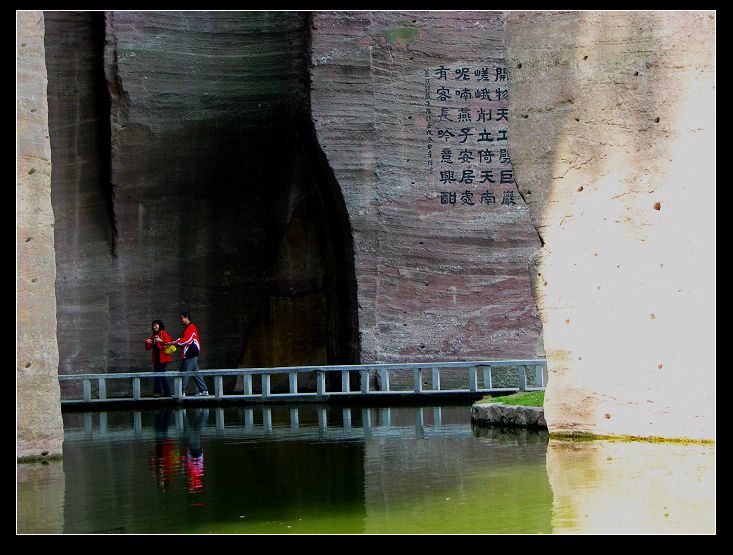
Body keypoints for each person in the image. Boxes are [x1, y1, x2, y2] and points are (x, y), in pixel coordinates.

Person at [164, 310, 208, 397]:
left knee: (184, 372)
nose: (181, 320)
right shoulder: (189, 328)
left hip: (191, 353)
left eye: (182, 318)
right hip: (192, 353)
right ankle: (204, 390)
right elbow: (184, 339)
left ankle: (181, 392)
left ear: (186, 317)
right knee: (195, 372)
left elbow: (187, 340)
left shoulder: (191, 327)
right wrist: (174, 342)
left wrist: (173, 343)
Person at [145, 319, 173, 397]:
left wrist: (160, 340)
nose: (155, 326)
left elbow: (169, 342)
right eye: (153, 325)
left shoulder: (163, 333)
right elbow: (148, 348)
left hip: (163, 358)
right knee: (161, 375)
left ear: (160, 325)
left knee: (158, 375)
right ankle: (167, 393)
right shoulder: (153, 336)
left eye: (156, 325)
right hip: (157, 359)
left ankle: (158, 392)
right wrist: (147, 342)